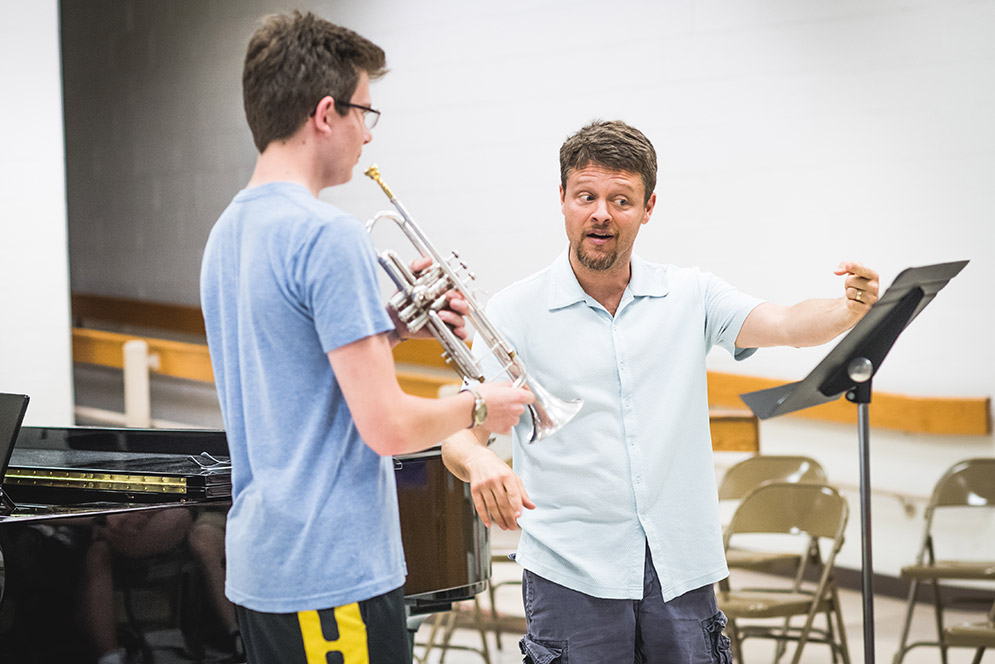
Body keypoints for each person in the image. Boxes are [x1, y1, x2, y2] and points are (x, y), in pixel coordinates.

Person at [441, 119, 880, 663]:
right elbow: (459, 433)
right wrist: (481, 463)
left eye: (621, 199)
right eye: (587, 196)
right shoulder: (513, 312)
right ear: (562, 200)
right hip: (571, 573)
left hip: (681, 567)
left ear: (648, 208)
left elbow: (787, 323)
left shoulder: (690, 294)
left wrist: (846, 311)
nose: (601, 213)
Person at [199, 12, 533, 664]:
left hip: (267, 569)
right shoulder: (329, 235)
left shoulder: (226, 235)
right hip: (331, 574)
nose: (366, 136)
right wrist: (481, 406)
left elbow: (293, 361)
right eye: (363, 114)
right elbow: (387, 427)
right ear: (326, 113)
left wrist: (387, 327)